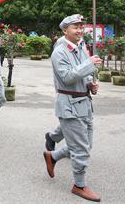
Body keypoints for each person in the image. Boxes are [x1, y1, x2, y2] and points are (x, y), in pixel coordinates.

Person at [43, 14, 102, 202]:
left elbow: (83, 74)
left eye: (81, 26)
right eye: (75, 27)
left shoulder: (81, 46)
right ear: (65, 30)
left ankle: (53, 156)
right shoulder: (59, 52)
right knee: (81, 149)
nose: (79, 30)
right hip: (69, 105)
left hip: (84, 103)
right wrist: (89, 64)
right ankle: (79, 185)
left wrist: (90, 85)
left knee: (85, 145)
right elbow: (67, 77)